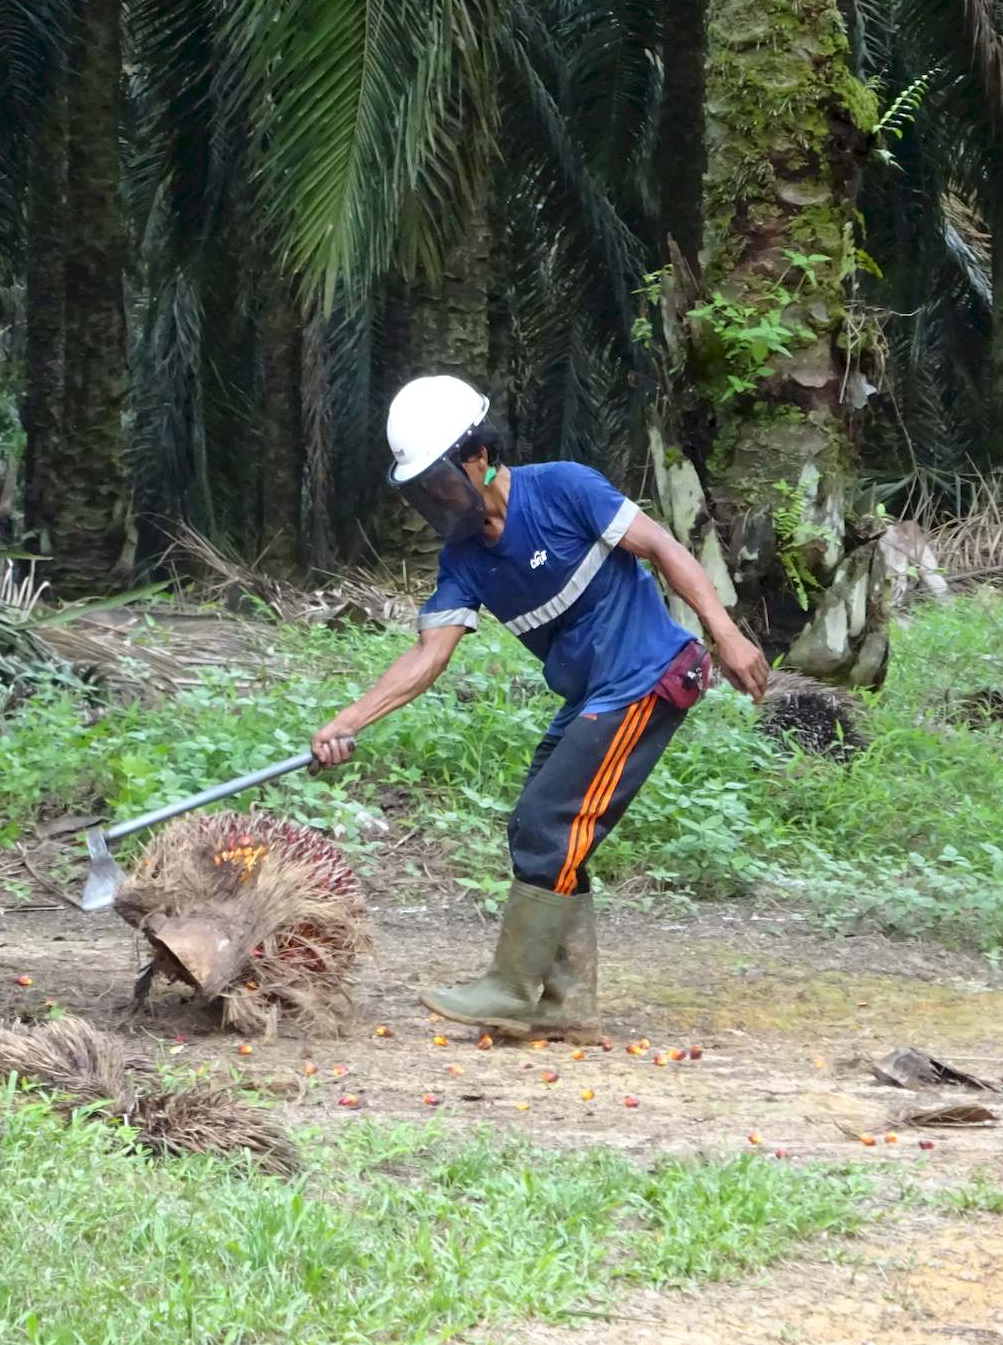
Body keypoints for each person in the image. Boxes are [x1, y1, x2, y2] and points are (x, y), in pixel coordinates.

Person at [310, 375, 769, 1040]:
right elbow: (427, 657)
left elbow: (665, 548)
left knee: (546, 819)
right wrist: (346, 722)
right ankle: (566, 1006)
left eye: (440, 480)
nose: (435, 500)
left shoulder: (564, 488)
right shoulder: (465, 557)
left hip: (647, 677)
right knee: (544, 834)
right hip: (591, 695)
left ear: (479, 457)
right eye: (423, 490)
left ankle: (512, 988)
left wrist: (724, 632)